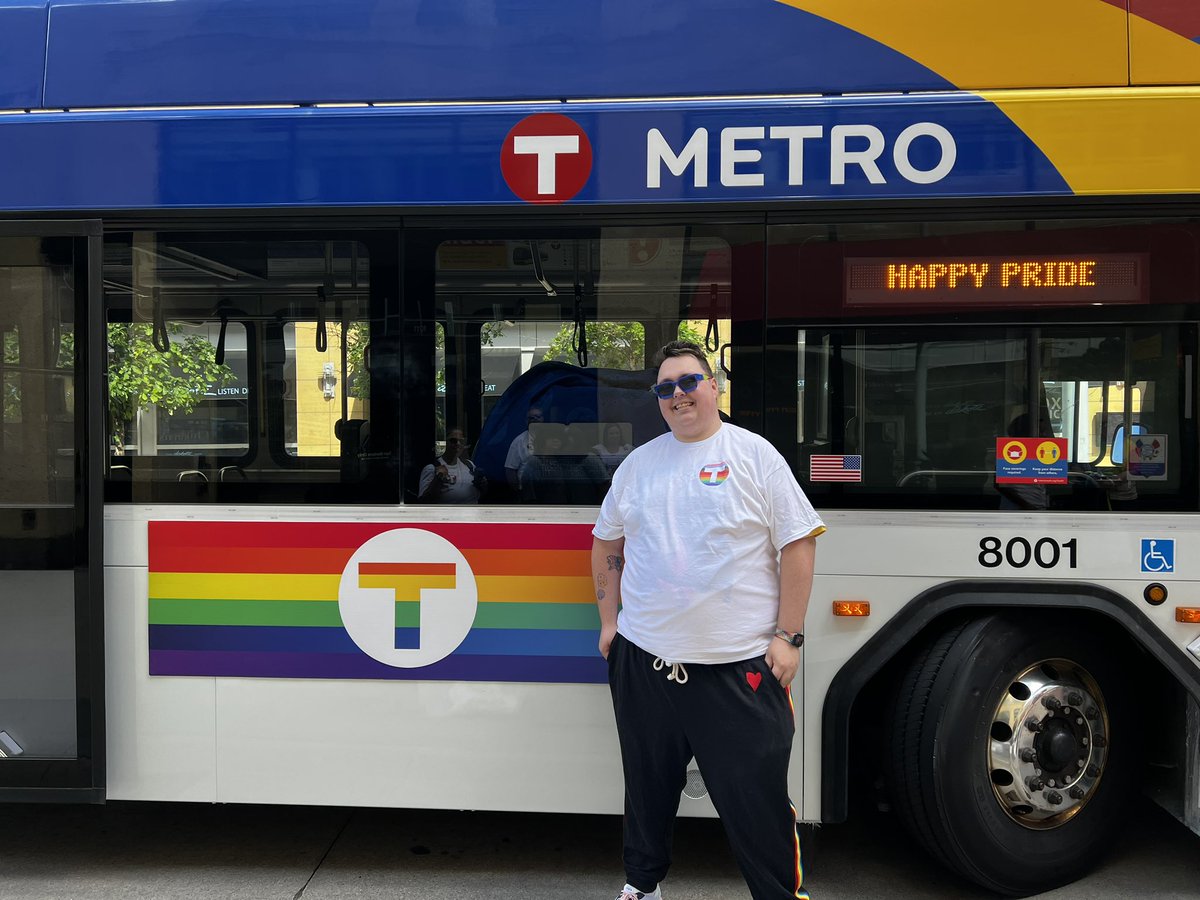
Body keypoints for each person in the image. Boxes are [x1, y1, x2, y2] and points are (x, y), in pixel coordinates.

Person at [592, 340, 824, 900]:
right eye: (665, 387)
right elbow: (605, 544)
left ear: (714, 386)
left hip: (738, 669)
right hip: (646, 663)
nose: (678, 395)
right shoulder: (638, 466)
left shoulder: (755, 455)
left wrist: (788, 637)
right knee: (646, 791)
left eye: (689, 381)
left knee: (756, 799)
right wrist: (609, 625)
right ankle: (642, 887)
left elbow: (797, 544)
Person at [417, 428, 486, 503]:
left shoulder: (470, 465)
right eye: (453, 441)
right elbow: (423, 501)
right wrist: (438, 479)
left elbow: (481, 493)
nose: (458, 444)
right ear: (445, 442)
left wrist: (483, 485)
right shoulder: (432, 468)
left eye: (461, 441)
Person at [504, 406, 543, 491]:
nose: (534, 419)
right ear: (526, 421)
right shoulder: (519, 441)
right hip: (527, 492)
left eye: (538, 417)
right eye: (531, 417)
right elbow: (510, 471)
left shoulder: (550, 438)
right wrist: (518, 492)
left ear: (543, 419)